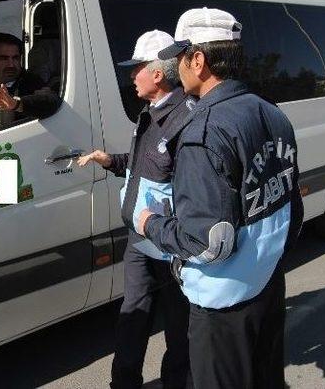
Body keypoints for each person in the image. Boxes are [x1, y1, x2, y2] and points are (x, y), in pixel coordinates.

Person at [136, 8, 304, 389]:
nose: (176, 67)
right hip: (268, 286)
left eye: (180, 57)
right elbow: (291, 207)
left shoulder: (204, 130)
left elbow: (204, 241)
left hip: (222, 303)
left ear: (199, 60)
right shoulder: (271, 112)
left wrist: (149, 222)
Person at [78, 30, 195, 389]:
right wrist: (111, 161)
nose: (131, 76)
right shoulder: (150, 112)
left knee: (179, 327)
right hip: (140, 241)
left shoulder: (187, 119)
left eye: (136, 69)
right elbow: (146, 164)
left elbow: (191, 184)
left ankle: (177, 383)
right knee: (132, 317)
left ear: (158, 74)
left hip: (172, 246)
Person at [0, 32, 61, 132]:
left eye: (15, 58)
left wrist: (15, 104)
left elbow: (50, 102)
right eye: (4, 58)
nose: (11, 64)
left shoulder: (29, 83)